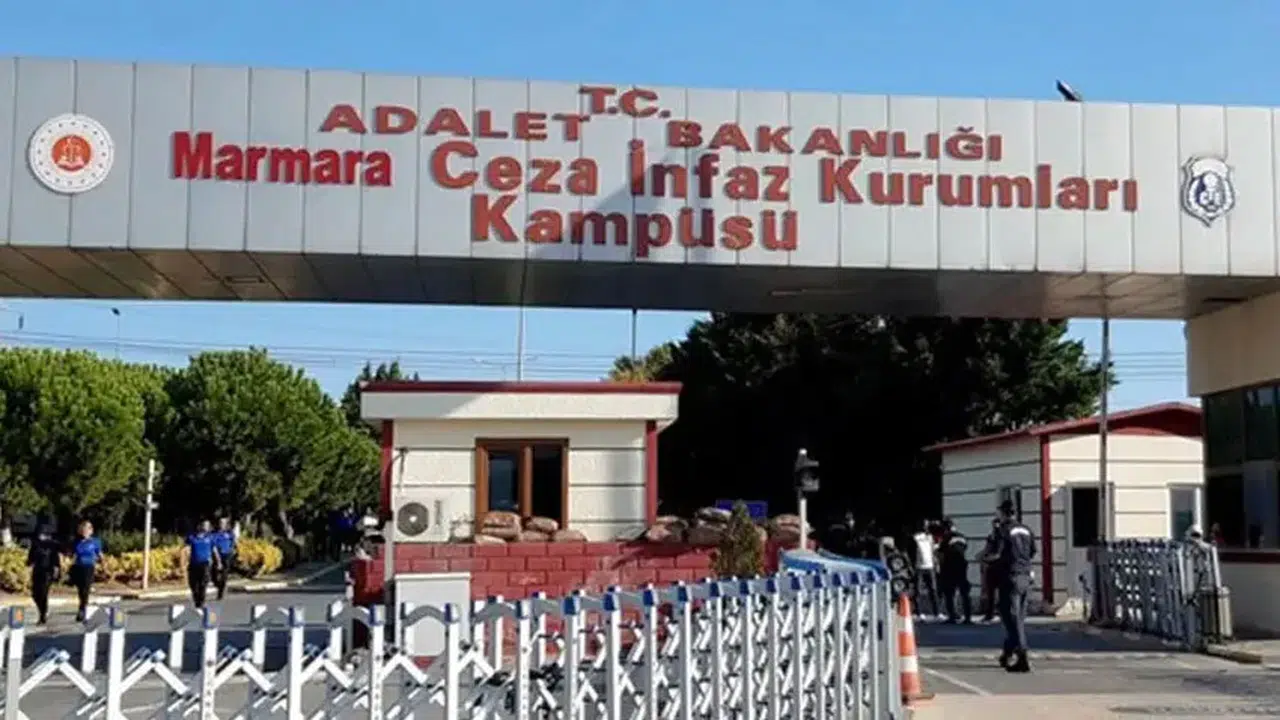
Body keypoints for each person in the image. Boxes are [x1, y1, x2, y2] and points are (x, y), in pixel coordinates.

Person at [991, 500, 1036, 673]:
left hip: (1010, 576)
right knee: (1017, 618)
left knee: (1010, 617)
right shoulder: (1027, 529)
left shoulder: (1003, 530)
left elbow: (997, 553)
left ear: (1003, 513)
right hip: (1025, 575)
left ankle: (1022, 655)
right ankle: (1007, 652)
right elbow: (1032, 551)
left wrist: (985, 558)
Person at [26, 526, 61, 625]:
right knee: (35, 594)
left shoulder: (52, 545)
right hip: (37, 571)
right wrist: (28, 564)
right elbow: (30, 559)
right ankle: (42, 610)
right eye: (40, 534)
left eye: (43, 535)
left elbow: (56, 559)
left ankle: (43, 615)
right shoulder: (35, 545)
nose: (41, 537)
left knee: (43, 593)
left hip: (48, 572)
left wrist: (56, 571)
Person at [939, 519, 972, 624]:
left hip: (950, 567)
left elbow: (941, 553)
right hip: (962, 566)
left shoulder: (946, 538)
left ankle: (952, 616)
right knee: (964, 593)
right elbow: (965, 548)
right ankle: (967, 617)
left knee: (949, 593)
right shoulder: (962, 537)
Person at [69, 520, 103, 622]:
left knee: (86, 589)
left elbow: (99, 554)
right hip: (78, 567)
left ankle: (82, 610)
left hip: (89, 567)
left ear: (91, 531)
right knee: (80, 590)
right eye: (83, 530)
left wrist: (101, 563)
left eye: (87, 529)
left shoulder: (95, 542)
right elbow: (73, 555)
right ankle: (82, 606)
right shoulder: (76, 542)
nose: (85, 532)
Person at [184, 520, 221, 609]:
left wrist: (218, 561)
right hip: (193, 563)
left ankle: (201, 602)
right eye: (202, 525)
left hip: (205, 564)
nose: (204, 527)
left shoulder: (210, 538)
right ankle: (196, 599)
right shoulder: (191, 537)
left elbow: (214, 550)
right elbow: (187, 549)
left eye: (206, 526)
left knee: (203, 583)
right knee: (193, 584)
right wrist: (185, 560)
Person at [911, 520, 942, 620]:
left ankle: (937, 612)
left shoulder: (930, 537)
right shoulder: (915, 537)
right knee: (918, 591)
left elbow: (932, 551)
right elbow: (912, 551)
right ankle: (919, 612)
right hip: (919, 566)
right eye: (924, 525)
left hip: (930, 566)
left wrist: (936, 563)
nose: (926, 527)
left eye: (927, 526)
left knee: (933, 589)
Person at [979, 517, 1002, 622]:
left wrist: (986, 557)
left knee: (999, 591)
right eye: (994, 525)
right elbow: (987, 548)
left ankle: (997, 612)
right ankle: (990, 613)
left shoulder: (1002, 536)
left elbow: (999, 553)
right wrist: (982, 556)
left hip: (1000, 566)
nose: (995, 527)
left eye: (997, 524)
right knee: (990, 591)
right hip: (991, 566)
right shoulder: (992, 536)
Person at [212, 518, 237, 601]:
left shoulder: (229, 533)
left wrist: (232, 550)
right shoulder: (215, 534)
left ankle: (221, 592)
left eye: (223, 523)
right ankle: (218, 585)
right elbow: (213, 545)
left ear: (226, 524)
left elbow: (233, 542)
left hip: (227, 555)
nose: (221, 524)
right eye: (220, 523)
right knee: (214, 574)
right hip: (217, 555)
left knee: (224, 574)